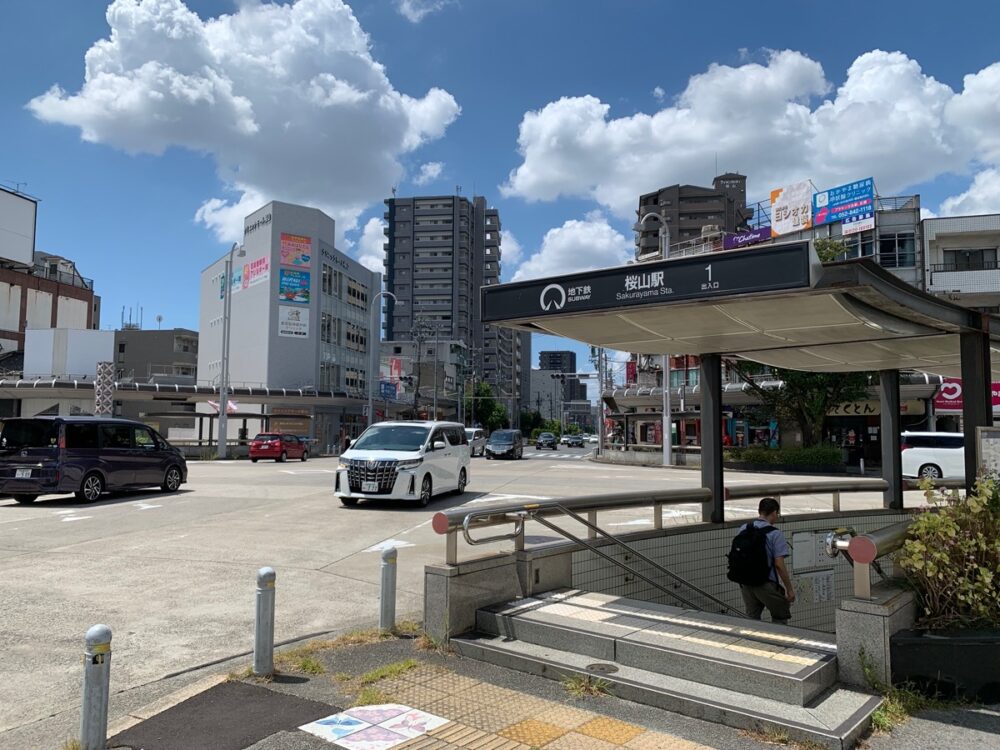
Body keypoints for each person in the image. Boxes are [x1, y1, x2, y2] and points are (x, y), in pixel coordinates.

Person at [729, 497, 795, 624]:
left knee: (752, 618)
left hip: (745, 583)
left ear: (760, 511)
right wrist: (789, 589)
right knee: (780, 615)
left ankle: (752, 643)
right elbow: (779, 565)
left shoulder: (744, 528)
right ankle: (779, 643)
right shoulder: (775, 534)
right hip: (765, 583)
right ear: (774, 512)